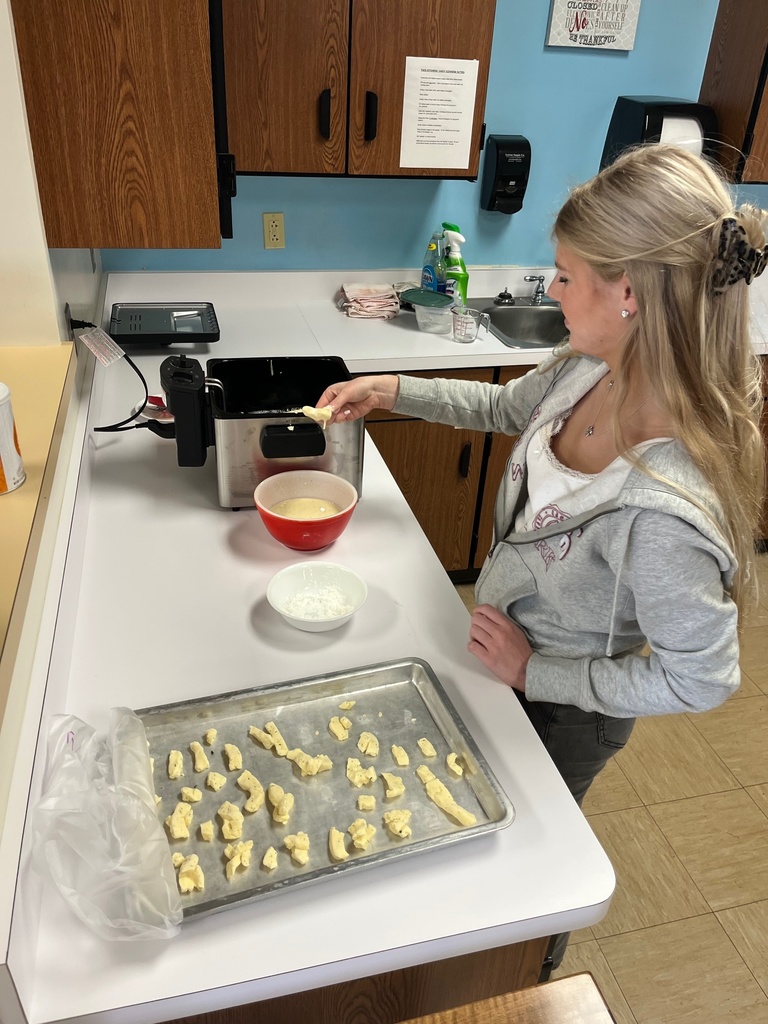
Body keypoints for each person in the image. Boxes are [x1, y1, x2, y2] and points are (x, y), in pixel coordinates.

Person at [318, 145, 766, 961]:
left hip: (566, 710)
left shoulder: (665, 510)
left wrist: (538, 674)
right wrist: (392, 389)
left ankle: (530, 977)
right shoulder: (591, 365)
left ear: (627, 293)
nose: (551, 289)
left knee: (525, 879)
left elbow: (703, 677)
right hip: (507, 669)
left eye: (564, 274)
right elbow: (503, 405)